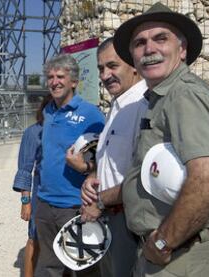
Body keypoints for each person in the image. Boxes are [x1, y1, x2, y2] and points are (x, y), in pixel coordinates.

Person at [82, 2, 209, 276]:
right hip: (168, 251)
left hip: (178, 254)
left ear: (182, 49)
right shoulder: (161, 98)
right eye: (140, 43)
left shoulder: (184, 95)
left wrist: (163, 241)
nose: (149, 49)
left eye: (160, 38)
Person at [66, 37, 148, 277]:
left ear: (134, 65)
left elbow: (142, 176)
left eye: (113, 66)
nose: (104, 75)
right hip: (110, 215)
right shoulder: (118, 104)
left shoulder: (141, 106)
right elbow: (116, 160)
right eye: (101, 68)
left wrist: (98, 202)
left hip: (126, 218)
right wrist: (92, 173)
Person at [34, 53, 105, 276]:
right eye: (50, 77)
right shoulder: (48, 111)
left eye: (60, 76)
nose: (54, 82)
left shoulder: (91, 114)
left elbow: (103, 159)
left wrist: (85, 169)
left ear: (74, 82)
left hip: (75, 205)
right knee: (48, 266)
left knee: (83, 267)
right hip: (45, 203)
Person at [12, 94, 51, 277]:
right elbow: (25, 169)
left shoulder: (72, 130)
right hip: (39, 196)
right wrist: (26, 201)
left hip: (68, 196)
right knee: (34, 239)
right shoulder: (33, 132)